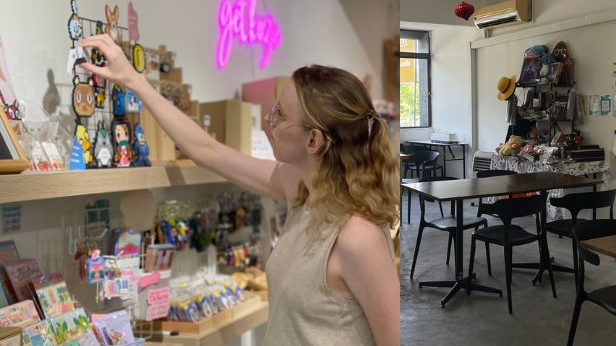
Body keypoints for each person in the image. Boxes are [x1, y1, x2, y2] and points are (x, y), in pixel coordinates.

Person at [80, 34, 400, 346]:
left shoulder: (357, 237)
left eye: (280, 114)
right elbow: (206, 150)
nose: (269, 121)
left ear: (313, 140)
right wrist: (134, 81)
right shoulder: (302, 191)